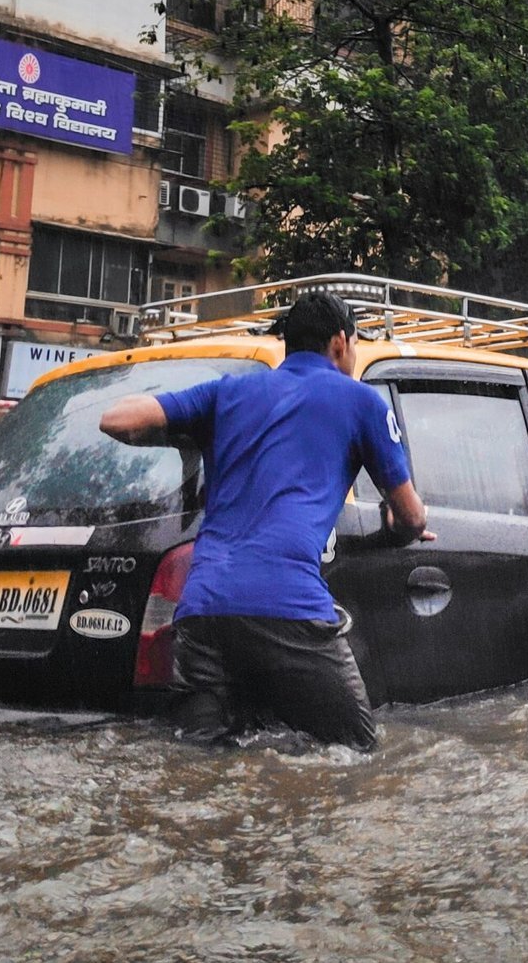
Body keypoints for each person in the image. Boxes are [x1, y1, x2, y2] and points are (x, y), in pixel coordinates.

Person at [100, 289, 428, 750]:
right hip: (289, 607)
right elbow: (411, 516)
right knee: (356, 754)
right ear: (340, 342)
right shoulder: (362, 402)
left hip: (202, 611)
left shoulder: (227, 392)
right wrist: (400, 528)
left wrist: (188, 436)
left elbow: (116, 419)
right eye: (354, 344)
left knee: (199, 762)